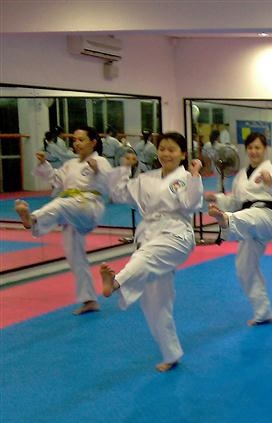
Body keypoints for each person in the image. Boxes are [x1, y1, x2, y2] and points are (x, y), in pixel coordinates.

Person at [99, 132, 203, 372]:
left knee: (145, 256)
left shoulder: (185, 178)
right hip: (149, 233)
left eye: (172, 149)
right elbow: (119, 194)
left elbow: (191, 204)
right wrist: (125, 168)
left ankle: (116, 283)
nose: (166, 153)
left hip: (176, 234)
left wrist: (195, 176)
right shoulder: (146, 178)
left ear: (183, 154)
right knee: (155, 301)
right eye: (162, 148)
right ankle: (171, 353)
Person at [15, 125, 112, 315]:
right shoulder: (70, 164)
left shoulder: (101, 161)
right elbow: (55, 179)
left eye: (81, 139)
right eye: (74, 140)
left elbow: (108, 186)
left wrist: (97, 171)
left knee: (60, 204)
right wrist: (44, 164)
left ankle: (33, 220)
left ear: (93, 142)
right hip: (72, 210)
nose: (77, 143)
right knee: (75, 256)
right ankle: (89, 300)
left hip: (88, 207)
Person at [206, 132, 272, 326]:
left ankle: (226, 221)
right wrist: (217, 198)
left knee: (249, 217)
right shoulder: (240, 176)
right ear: (246, 150)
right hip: (249, 224)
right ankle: (263, 313)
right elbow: (235, 202)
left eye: (258, 147)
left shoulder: (271, 171)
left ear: (265, 149)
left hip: (267, 216)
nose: (254, 151)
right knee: (244, 267)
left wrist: (271, 185)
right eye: (251, 148)